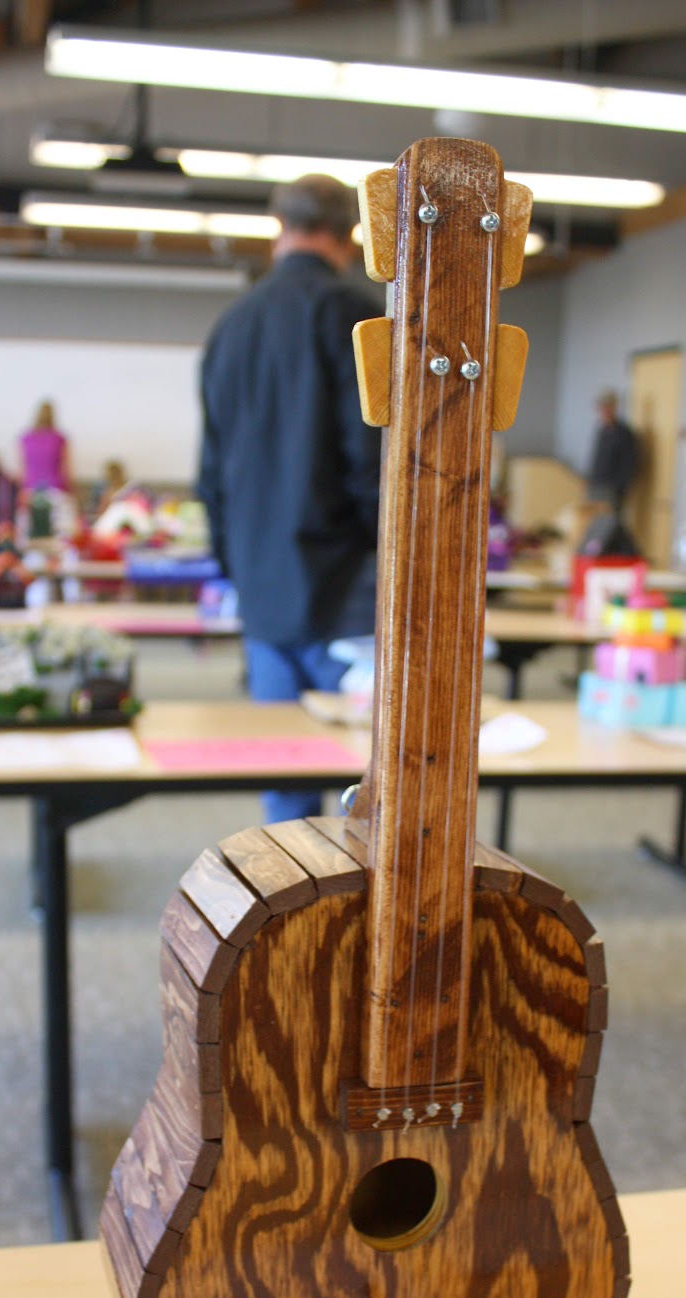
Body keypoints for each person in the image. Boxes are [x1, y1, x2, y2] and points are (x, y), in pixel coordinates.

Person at [196, 172, 382, 823]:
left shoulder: (231, 326)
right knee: (367, 783)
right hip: (347, 588)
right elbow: (370, 462)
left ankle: (296, 921)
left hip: (264, 588)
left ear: (279, 227)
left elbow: (210, 474)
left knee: (286, 783)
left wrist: (237, 565)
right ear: (349, 235)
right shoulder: (357, 318)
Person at [586, 389, 638, 515]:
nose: (604, 411)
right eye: (601, 407)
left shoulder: (624, 433)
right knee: (592, 521)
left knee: (609, 523)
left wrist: (619, 486)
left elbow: (629, 464)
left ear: (614, 407)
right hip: (595, 485)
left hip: (612, 489)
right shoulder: (601, 430)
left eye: (607, 407)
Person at [19, 400, 72, 495]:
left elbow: (22, 470)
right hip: (55, 490)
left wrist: (21, 491)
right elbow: (66, 470)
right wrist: (72, 492)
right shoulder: (59, 438)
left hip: (30, 490)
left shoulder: (26, 438)